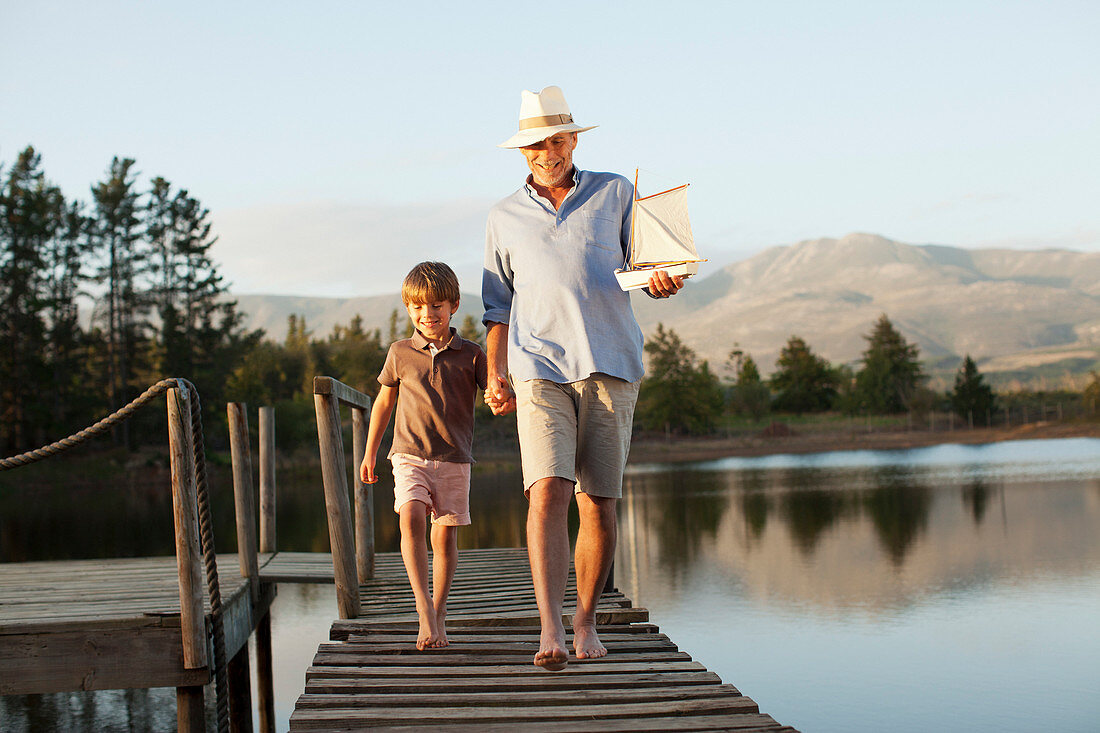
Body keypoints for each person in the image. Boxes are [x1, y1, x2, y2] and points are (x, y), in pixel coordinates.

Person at [482, 86, 683, 670]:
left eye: (560, 139)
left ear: (574, 140)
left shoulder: (615, 191)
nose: (551, 151)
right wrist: (496, 372)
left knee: (599, 498)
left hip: (610, 364)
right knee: (547, 488)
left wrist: (662, 280)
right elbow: (497, 307)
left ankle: (586, 619)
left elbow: (647, 266)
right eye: (539, 143)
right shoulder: (503, 217)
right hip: (537, 368)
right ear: (523, 151)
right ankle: (549, 628)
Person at [360, 261, 487, 650]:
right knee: (411, 513)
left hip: (454, 457)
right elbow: (383, 403)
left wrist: (505, 396)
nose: (426, 315)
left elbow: (496, 394)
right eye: (417, 307)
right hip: (408, 453)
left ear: (453, 306)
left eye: (435, 306)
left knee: (444, 537)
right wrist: (370, 453)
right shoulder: (400, 352)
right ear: (408, 309)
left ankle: (440, 609)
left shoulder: (472, 354)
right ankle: (423, 612)